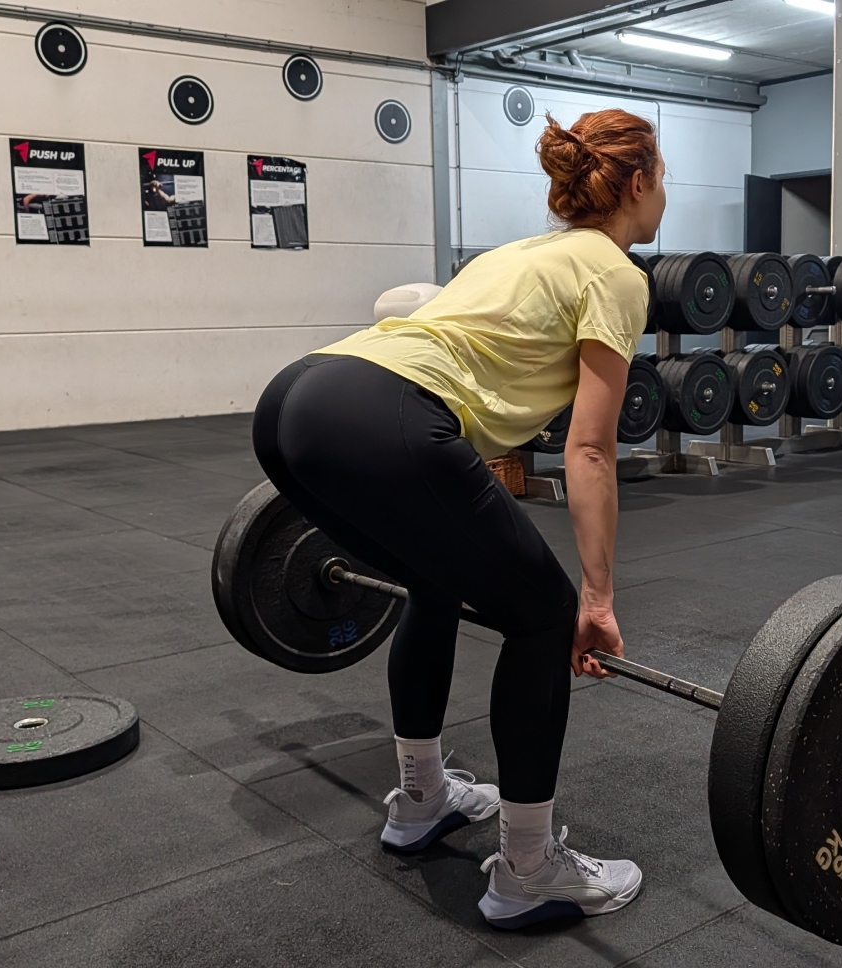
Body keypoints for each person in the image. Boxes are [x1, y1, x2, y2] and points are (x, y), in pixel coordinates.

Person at [251, 108, 665, 929]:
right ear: (642, 180)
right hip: (385, 413)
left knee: (430, 584)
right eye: (664, 178)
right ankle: (529, 867)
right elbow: (587, 450)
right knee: (542, 615)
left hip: (296, 400)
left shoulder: (519, 250)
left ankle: (422, 798)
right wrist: (596, 597)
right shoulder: (616, 272)